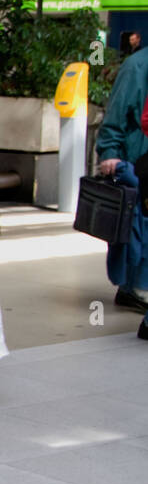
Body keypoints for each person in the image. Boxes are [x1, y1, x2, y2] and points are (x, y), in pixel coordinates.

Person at [94, 37, 148, 312]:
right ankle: (134, 286)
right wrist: (109, 154)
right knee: (138, 228)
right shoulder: (137, 67)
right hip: (138, 163)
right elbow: (115, 118)